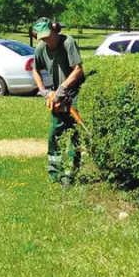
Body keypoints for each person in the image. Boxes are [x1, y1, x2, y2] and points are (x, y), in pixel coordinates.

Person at [31, 18, 85, 187]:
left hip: (75, 94)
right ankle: (54, 172)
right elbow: (35, 69)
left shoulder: (68, 43)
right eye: (43, 38)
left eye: (49, 36)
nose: (47, 41)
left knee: (75, 134)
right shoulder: (41, 49)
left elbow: (78, 69)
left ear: (54, 30)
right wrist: (43, 90)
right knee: (54, 133)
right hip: (56, 98)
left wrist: (63, 86)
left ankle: (70, 174)